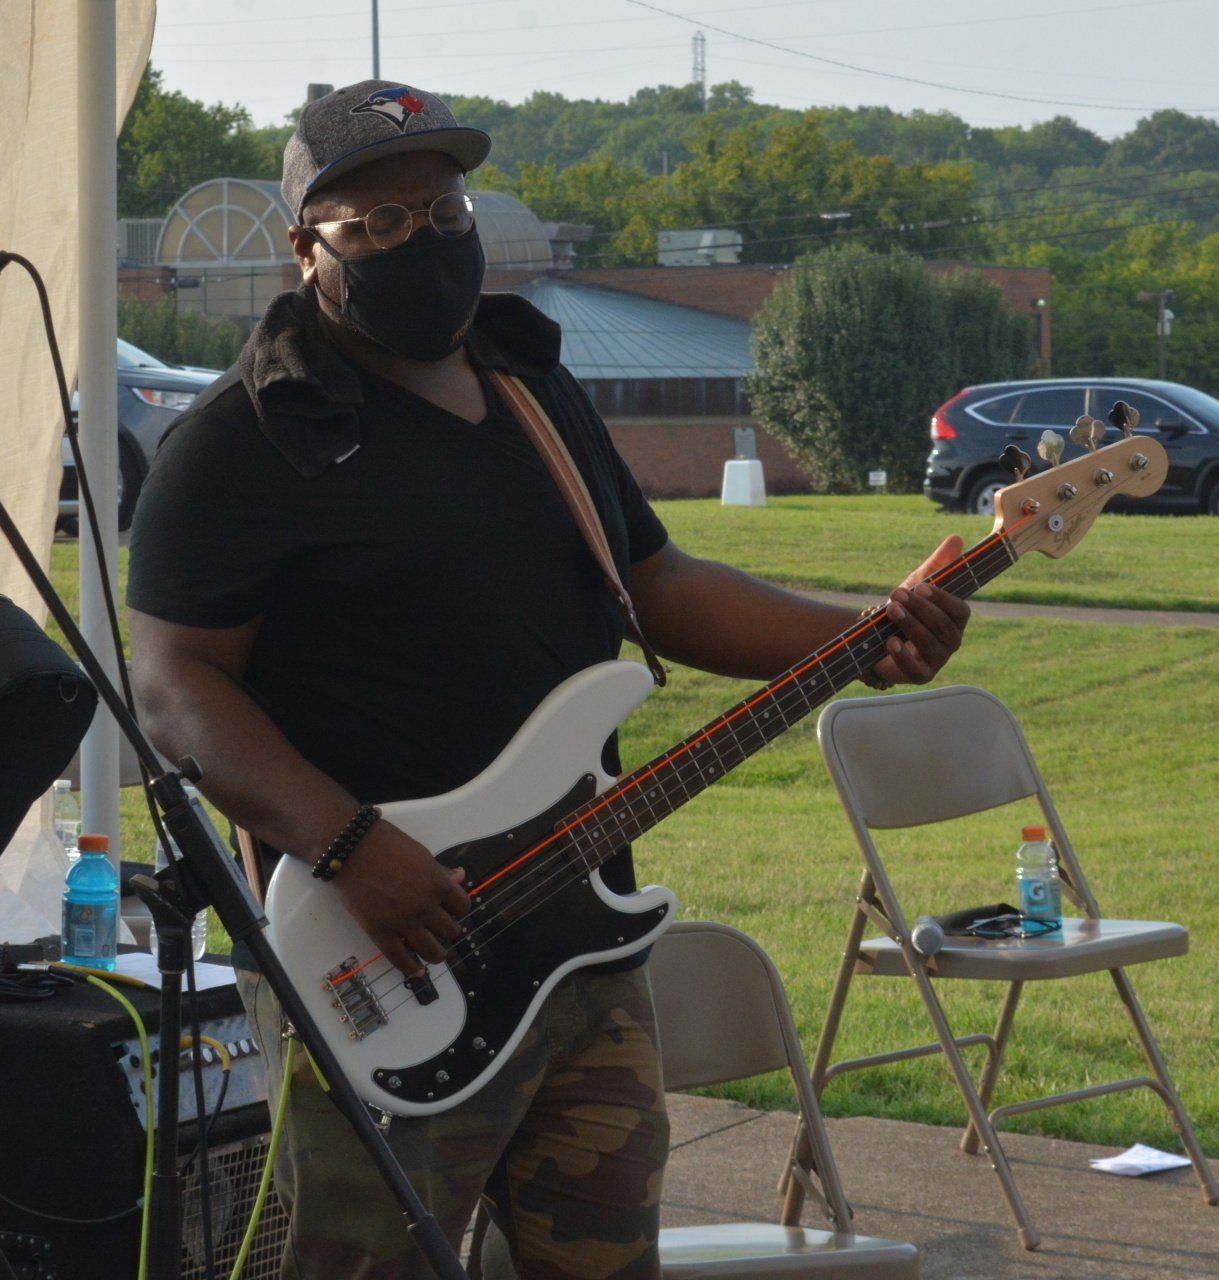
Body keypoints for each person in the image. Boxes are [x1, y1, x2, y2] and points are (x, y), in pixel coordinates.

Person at [127, 80, 972, 1280]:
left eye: (444, 209)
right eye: (380, 223)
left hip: (581, 938)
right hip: (377, 950)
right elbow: (174, 685)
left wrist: (859, 636)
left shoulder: (529, 386)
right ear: (304, 247)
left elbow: (658, 581)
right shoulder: (247, 435)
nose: (424, 240)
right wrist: (349, 843)